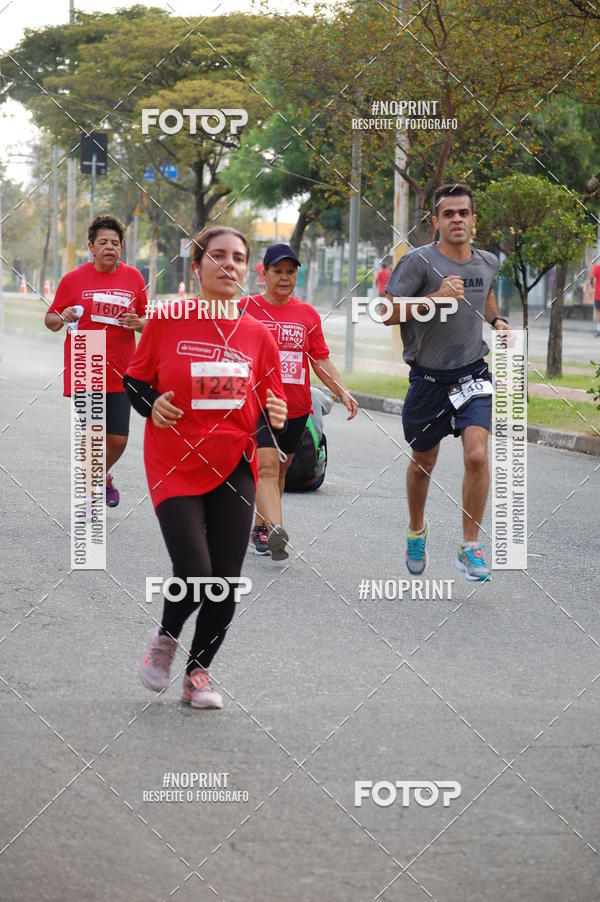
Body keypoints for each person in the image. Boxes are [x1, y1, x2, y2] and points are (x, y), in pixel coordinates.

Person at [124, 227, 287, 710]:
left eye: (237, 258)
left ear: (247, 270)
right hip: (173, 460)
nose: (228, 265)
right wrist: (152, 403)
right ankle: (166, 638)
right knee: (195, 568)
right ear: (197, 266)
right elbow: (135, 382)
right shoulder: (167, 320)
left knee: (225, 579)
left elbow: (271, 401)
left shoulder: (258, 335)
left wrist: (276, 411)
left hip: (233, 461)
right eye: (217, 256)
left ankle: (198, 674)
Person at [384, 183, 512, 581]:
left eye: (463, 213)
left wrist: (496, 321)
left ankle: (469, 546)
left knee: (477, 456)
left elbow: (485, 293)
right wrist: (436, 298)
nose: (457, 219)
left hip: (473, 373)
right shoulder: (418, 263)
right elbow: (387, 312)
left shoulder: (487, 261)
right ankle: (416, 531)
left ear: (474, 220)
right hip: (427, 380)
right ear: (435, 221)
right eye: (448, 213)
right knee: (424, 462)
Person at [239, 243, 358, 561]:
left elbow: (320, 360)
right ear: (263, 273)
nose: (284, 277)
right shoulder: (245, 309)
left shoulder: (306, 314)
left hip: (296, 407)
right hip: (258, 406)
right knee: (265, 466)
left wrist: (342, 391)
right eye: (277, 271)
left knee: (278, 470)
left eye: (290, 272)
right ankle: (276, 529)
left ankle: (260, 528)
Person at [45, 215, 147, 507]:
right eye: (102, 242)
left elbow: (148, 322)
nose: (109, 247)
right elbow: (50, 319)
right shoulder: (73, 280)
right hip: (86, 359)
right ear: (91, 246)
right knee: (93, 434)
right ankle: (89, 499)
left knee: (118, 439)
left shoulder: (134, 278)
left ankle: (102, 476)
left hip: (123, 366)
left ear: (122, 247)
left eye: (115, 243)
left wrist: (136, 323)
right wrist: (62, 317)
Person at [590, 260, 600, 336]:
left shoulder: (597, 267)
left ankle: (598, 330)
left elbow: (592, 278)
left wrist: (592, 285)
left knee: (598, 312)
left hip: (598, 294)